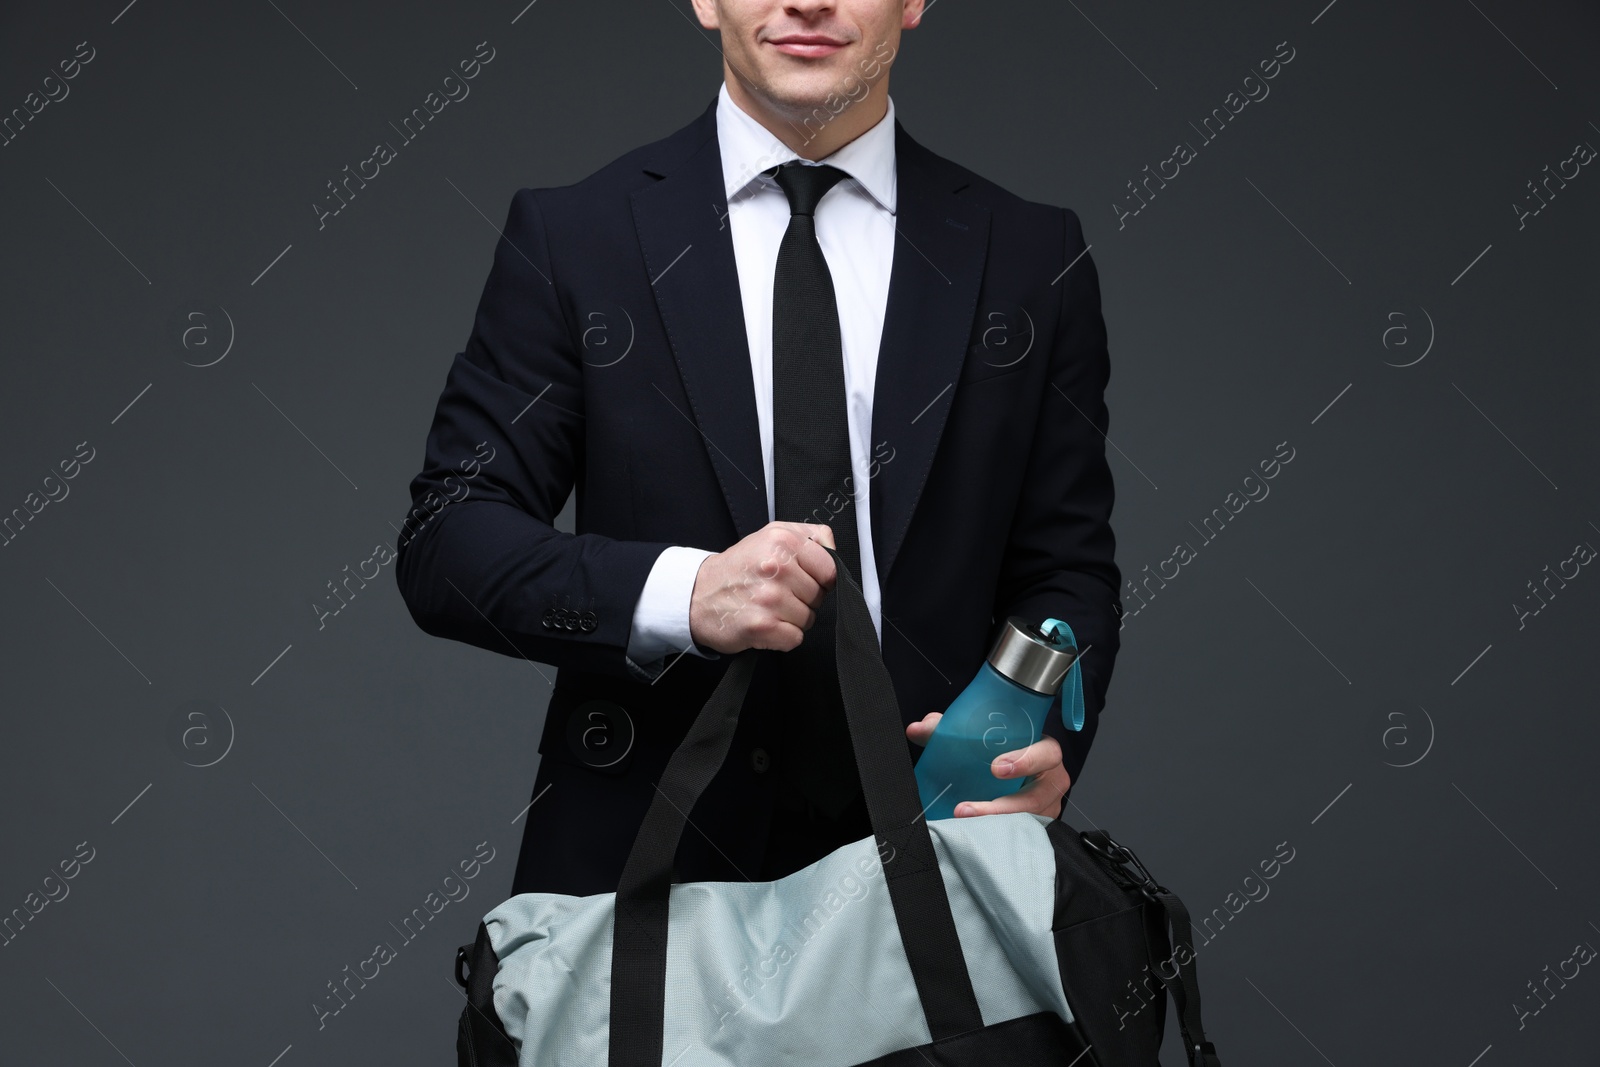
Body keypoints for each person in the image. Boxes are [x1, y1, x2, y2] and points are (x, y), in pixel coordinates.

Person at [395, 0, 1122, 898]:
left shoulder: (1028, 254)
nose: (808, 1)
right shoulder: (572, 238)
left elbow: (1069, 568)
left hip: (946, 868)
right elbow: (448, 539)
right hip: (644, 887)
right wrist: (683, 592)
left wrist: (1040, 736)